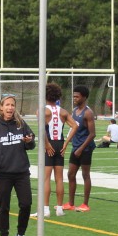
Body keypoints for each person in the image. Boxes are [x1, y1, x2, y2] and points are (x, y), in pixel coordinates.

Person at [0, 94, 36, 236]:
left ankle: (20, 235)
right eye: (7, 104)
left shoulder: (21, 123)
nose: (10, 107)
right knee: (4, 206)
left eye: (12, 105)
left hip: (21, 172)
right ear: (1, 107)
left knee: (26, 204)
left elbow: (31, 143)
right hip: (3, 174)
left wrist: (29, 141)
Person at [37, 83, 78, 218]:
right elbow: (75, 126)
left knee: (46, 178)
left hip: (48, 143)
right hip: (59, 143)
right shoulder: (63, 111)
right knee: (59, 178)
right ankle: (59, 209)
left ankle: (46, 209)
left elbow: (41, 129)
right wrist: (66, 143)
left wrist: (47, 144)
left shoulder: (42, 111)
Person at [64, 85, 97, 212]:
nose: (74, 98)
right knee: (70, 174)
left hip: (85, 148)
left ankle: (85, 204)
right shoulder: (74, 111)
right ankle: (71, 203)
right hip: (76, 147)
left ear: (84, 97)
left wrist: (81, 149)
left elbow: (92, 134)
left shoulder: (88, 113)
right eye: (74, 96)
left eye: (77, 97)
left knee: (85, 175)